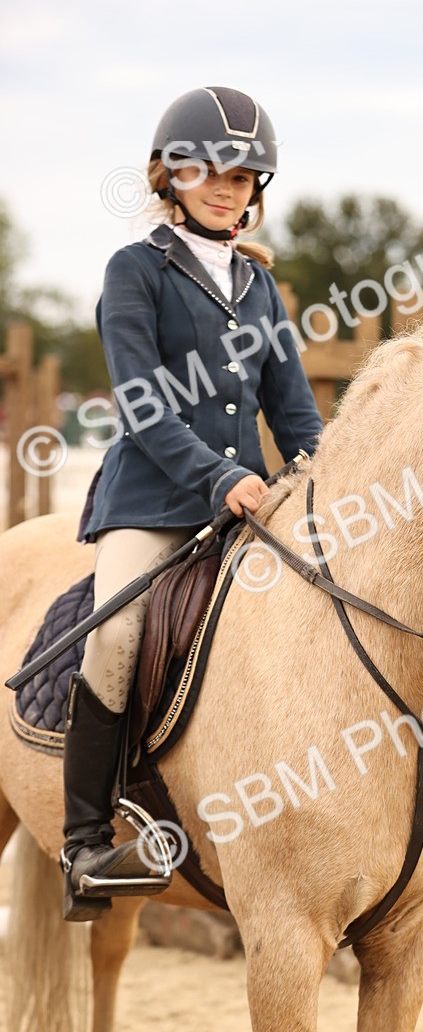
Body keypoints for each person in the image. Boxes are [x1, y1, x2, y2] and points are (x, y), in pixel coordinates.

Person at [62, 86, 323, 922]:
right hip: (155, 499)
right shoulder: (135, 271)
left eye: (245, 174)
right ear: (169, 175)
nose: (227, 184)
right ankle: (85, 840)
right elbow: (142, 402)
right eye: (208, 168)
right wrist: (219, 477)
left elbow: (293, 409)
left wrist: (319, 471)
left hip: (247, 503)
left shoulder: (257, 288)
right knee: (114, 636)